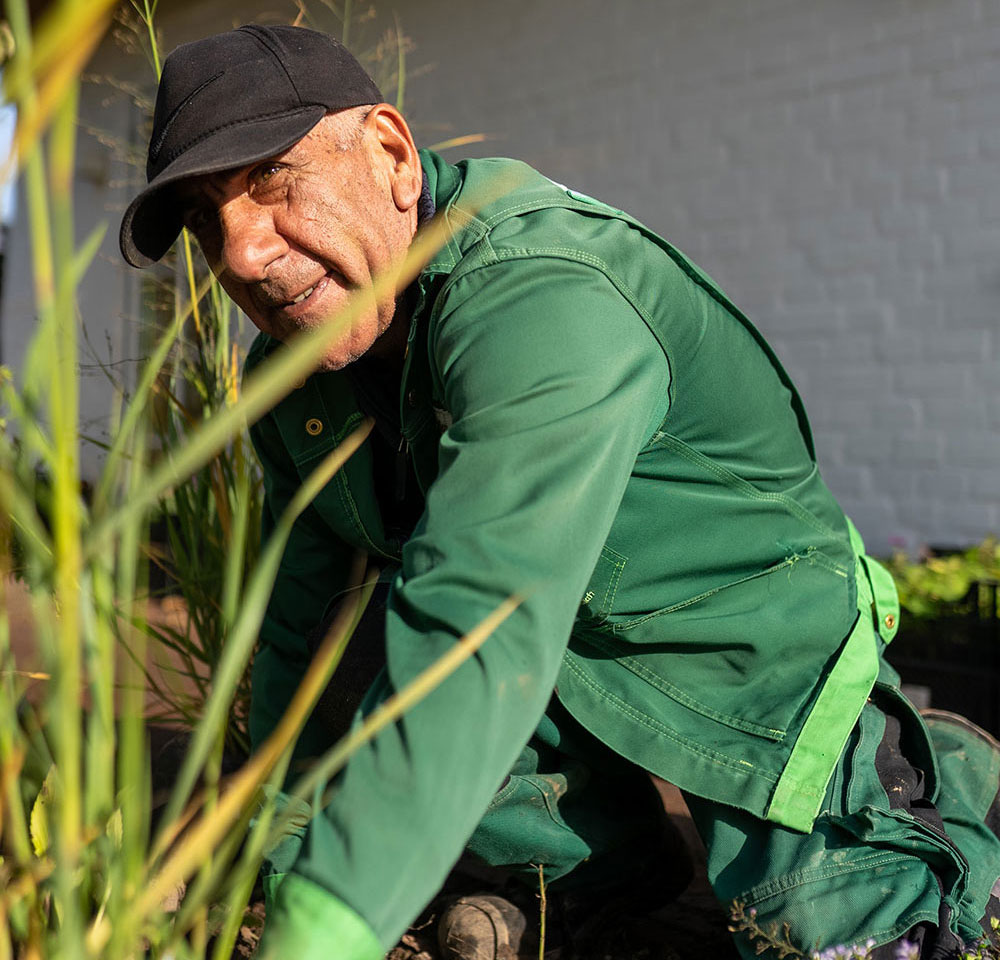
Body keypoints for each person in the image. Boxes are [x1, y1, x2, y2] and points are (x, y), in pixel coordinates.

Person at [119, 24, 1000, 960]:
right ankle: (603, 871)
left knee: (835, 934)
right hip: (560, 666)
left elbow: (479, 616)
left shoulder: (544, 292)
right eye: (206, 222)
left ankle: (936, 781)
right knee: (358, 648)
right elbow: (299, 630)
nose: (240, 253)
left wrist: (322, 928)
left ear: (391, 156)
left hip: (744, 659)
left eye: (271, 180)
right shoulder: (296, 377)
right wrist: (272, 853)